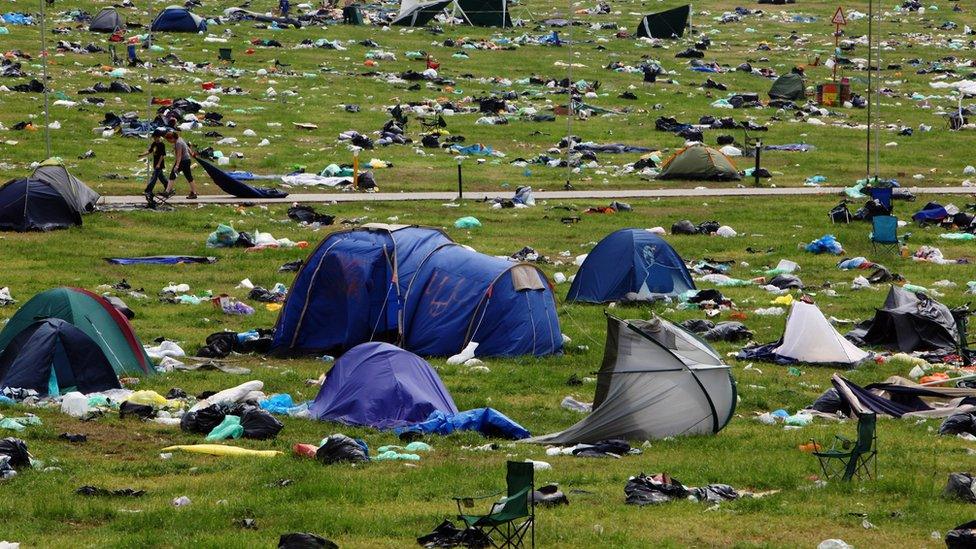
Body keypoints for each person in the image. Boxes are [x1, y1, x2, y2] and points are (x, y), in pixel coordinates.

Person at [162, 131, 198, 200]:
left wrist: (177, 166)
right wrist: (191, 153)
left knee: (172, 175)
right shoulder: (180, 139)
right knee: (189, 177)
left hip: (182, 161)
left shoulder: (178, 143)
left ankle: (167, 192)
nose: (169, 142)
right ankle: (194, 193)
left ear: (172, 138)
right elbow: (187, 147)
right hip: (187, 160)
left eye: (168, 140)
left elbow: (179, 155)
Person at [138, 129, 168, 208]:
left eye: (155, 137)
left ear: (158, 137)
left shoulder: (162, 145)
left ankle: (148, 190)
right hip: (155, 164)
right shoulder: (154, 143)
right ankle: (168, 187)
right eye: (154, 137)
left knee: (154, 178)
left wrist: (158, 164)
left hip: (159, 164)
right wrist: (142, 155)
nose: (154, 139)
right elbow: (150, 151)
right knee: (161, 177)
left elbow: (162, 155)